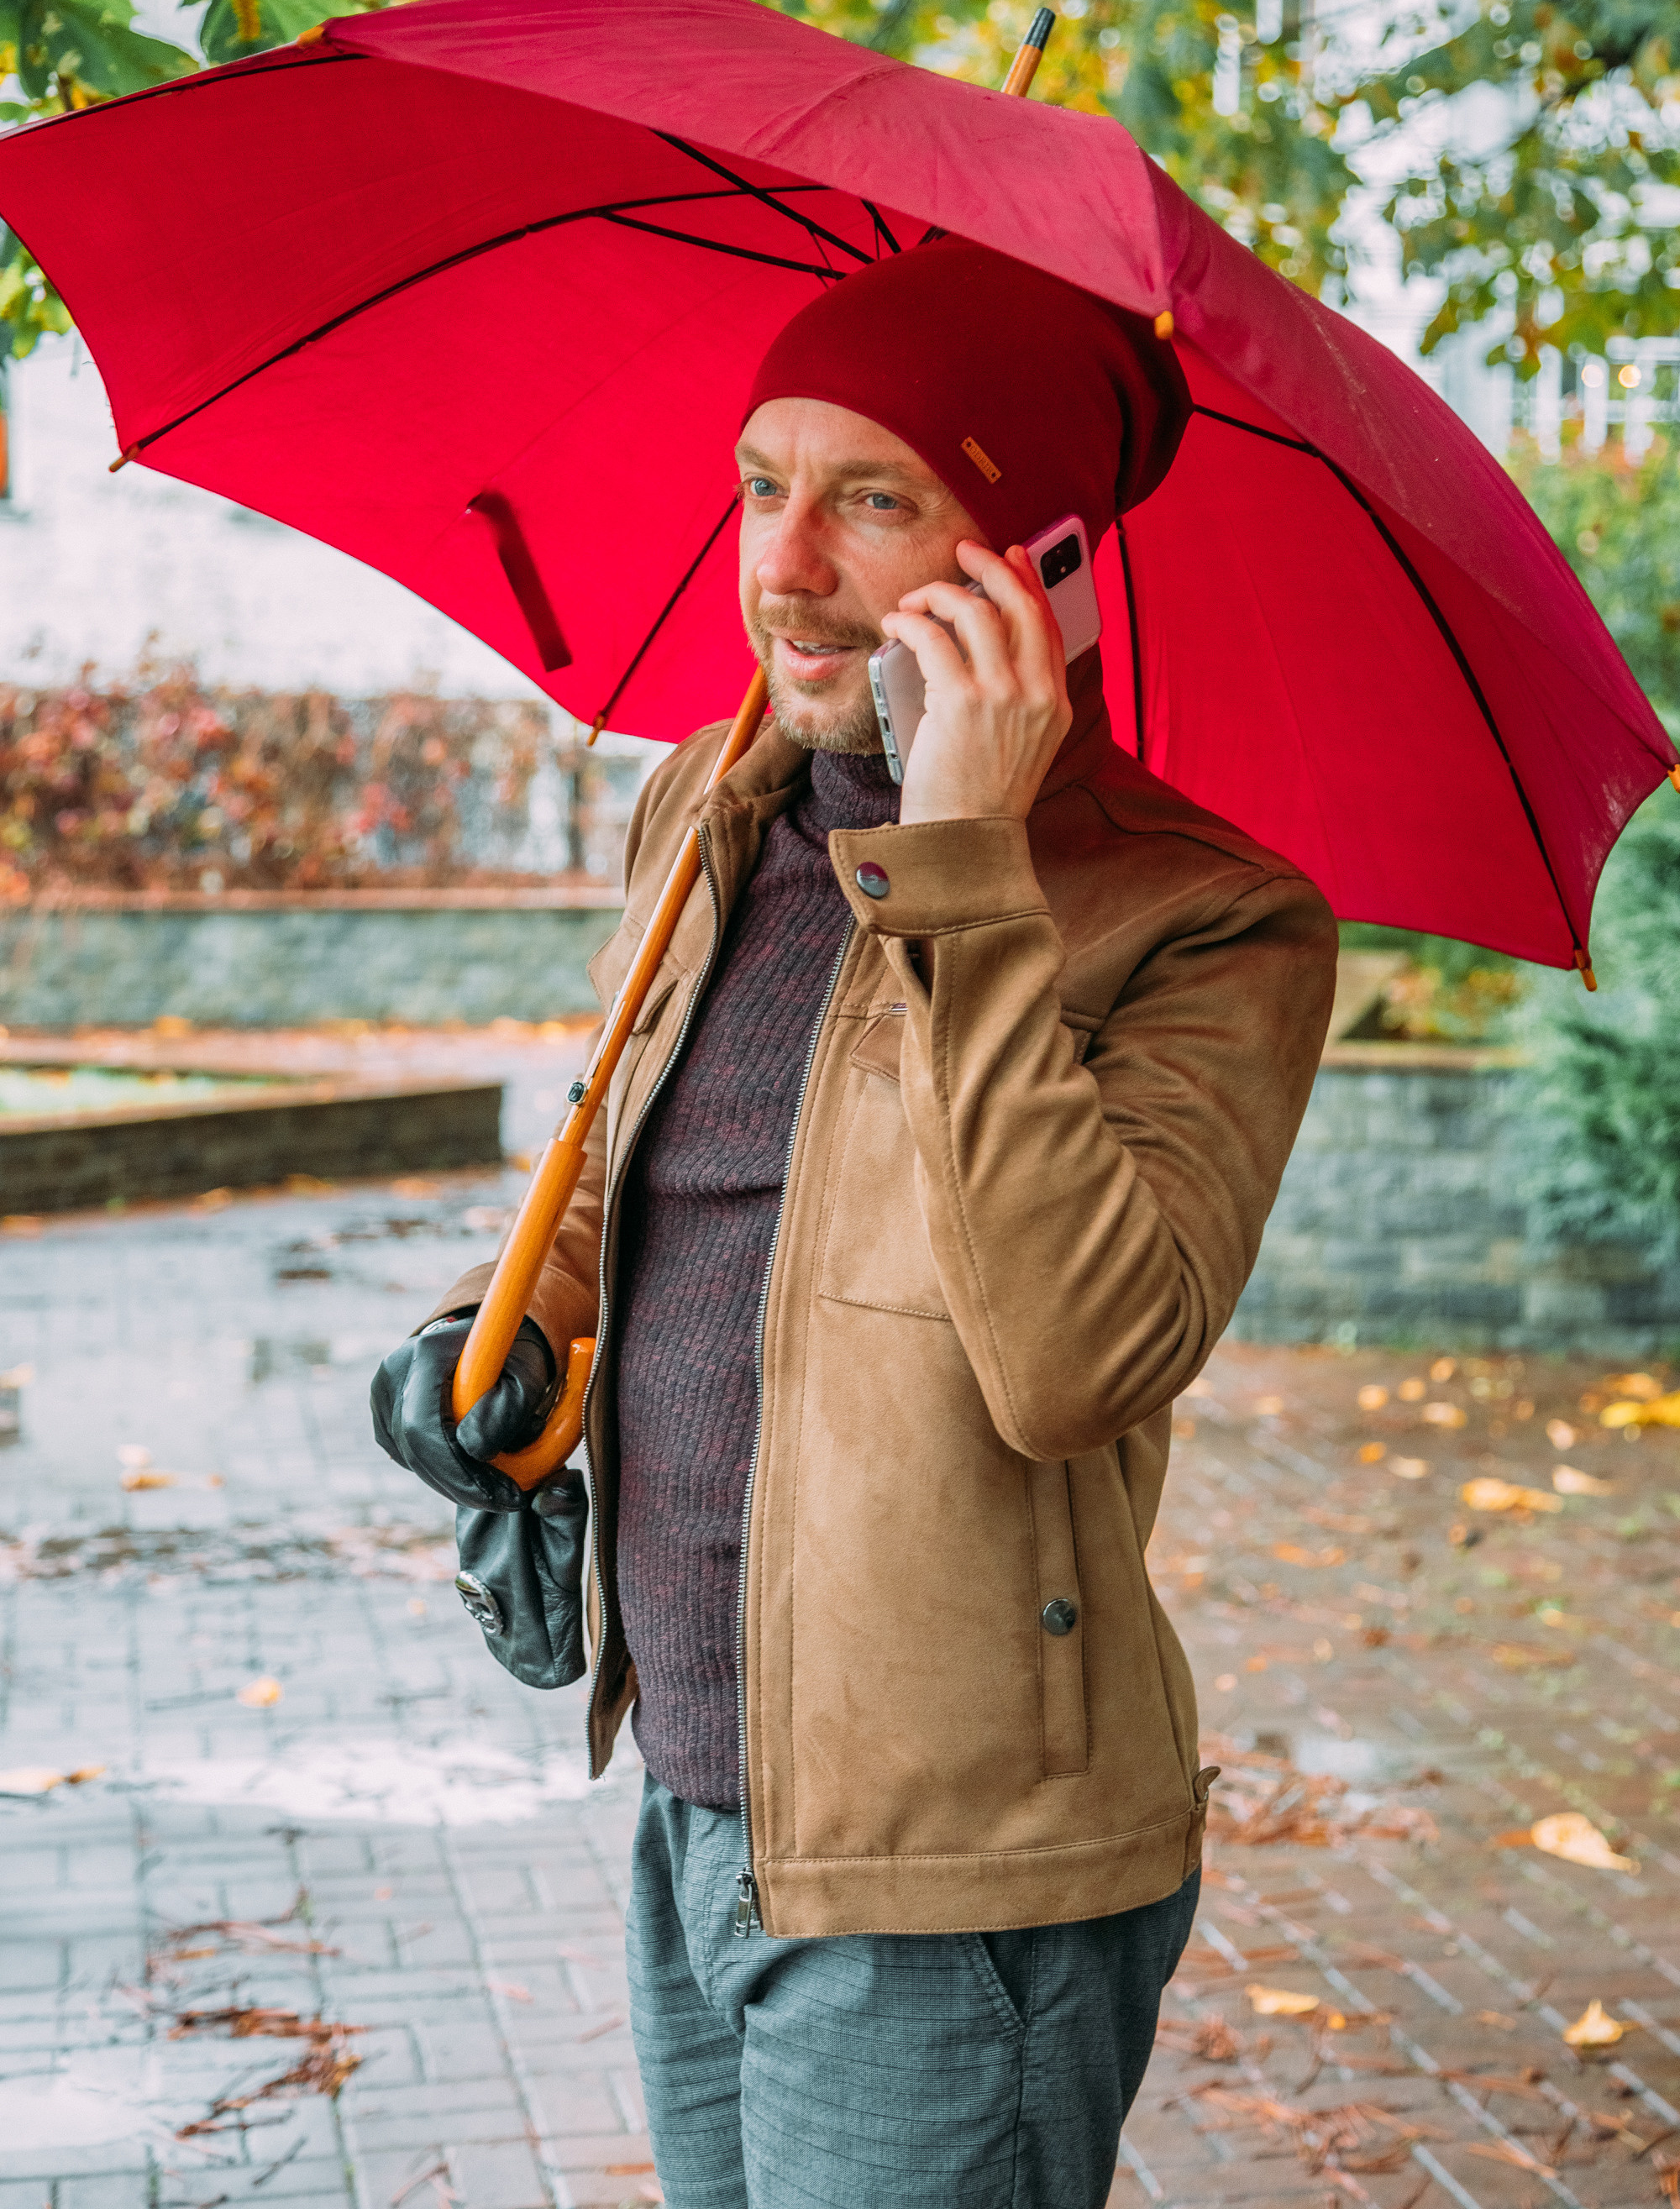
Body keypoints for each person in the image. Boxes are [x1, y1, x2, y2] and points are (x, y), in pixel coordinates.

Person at [372, 239, 1338, 2209]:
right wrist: (507, 1330)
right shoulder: (712, 811)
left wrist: (969, 877)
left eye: (873, 497)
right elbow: (652, 1189)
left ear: (1028, 574)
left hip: (953, 1880)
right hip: (700, 1800)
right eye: (760, 483)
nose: (783, 561)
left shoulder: (1200, 920)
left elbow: (1081, 1362)